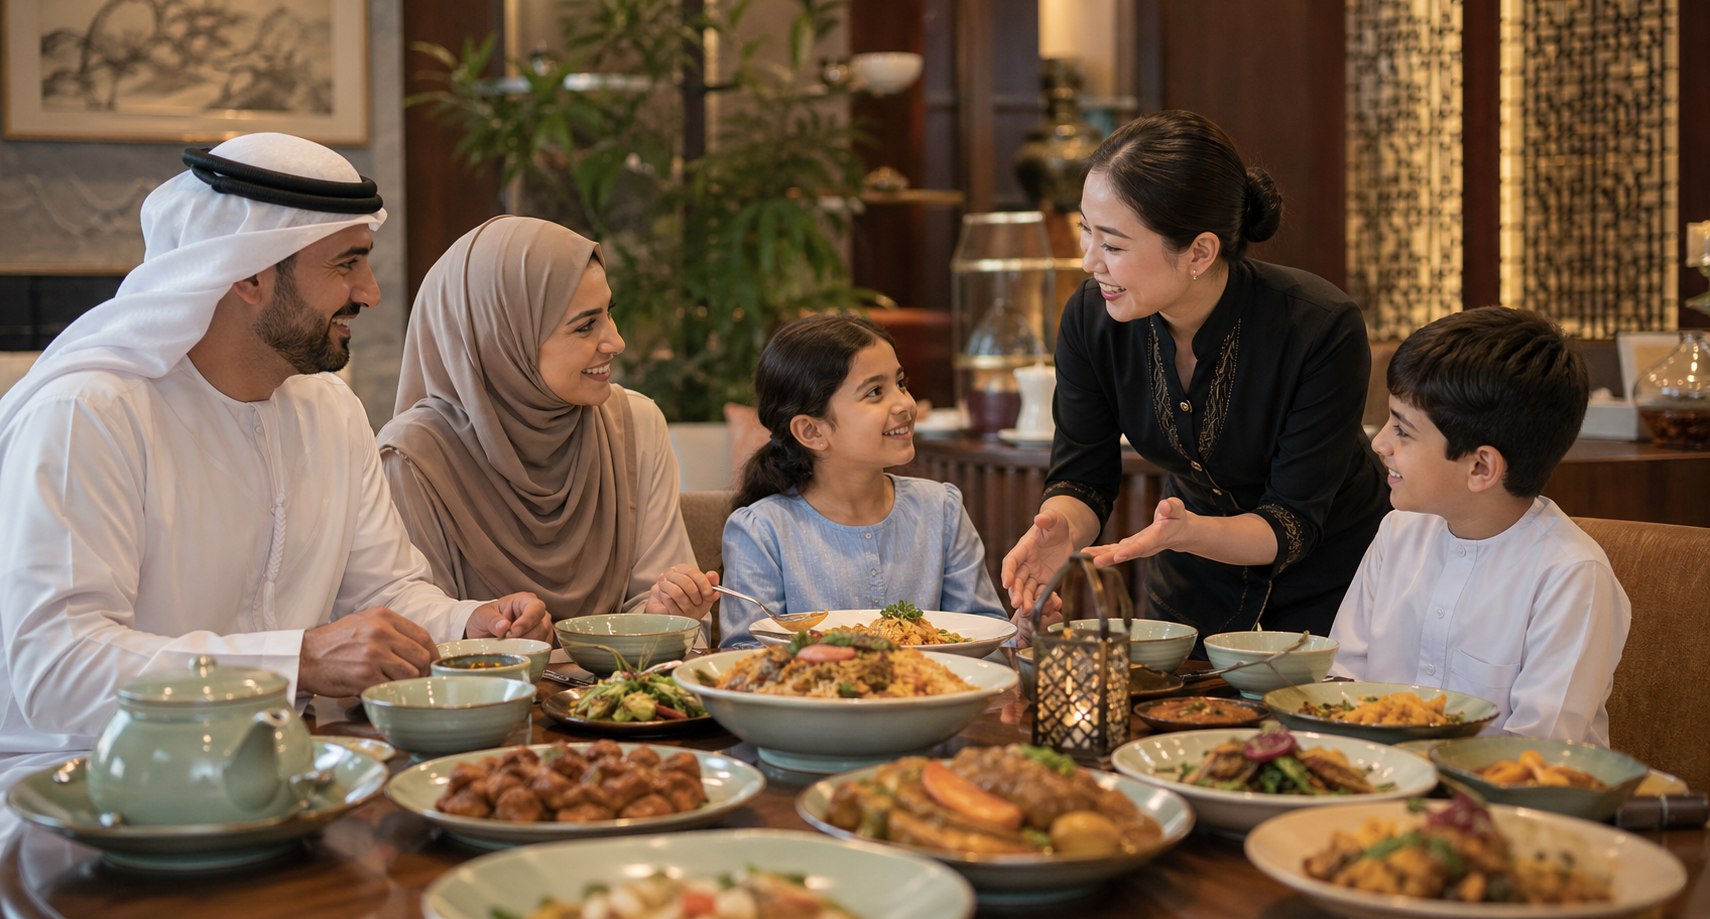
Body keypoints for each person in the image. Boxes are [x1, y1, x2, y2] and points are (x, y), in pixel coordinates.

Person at [0, 135, 549, 814]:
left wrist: (470, 625)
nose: (370, 293)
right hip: (85, 792)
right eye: (347, 265)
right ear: (250, 274)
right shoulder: (90, 413)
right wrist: (299, 659)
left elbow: (382, 592)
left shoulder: (330, 409)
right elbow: (59, 666)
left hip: (286, 775)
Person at [1001, 110, 1390, 649]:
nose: (1090, 262)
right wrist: (1060, 527)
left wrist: (1186, 532)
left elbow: (1292, 522)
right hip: (1191, 577)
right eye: (1086, 233)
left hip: (1332, 581)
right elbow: (1083, 476)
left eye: (1112, 245)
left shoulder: (1319, 326)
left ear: (1200, 252)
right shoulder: (1091, 319)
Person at [377, 217, 715, 621]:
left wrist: (670, 611)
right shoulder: (415, 456)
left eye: (610, 313)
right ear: (503, 338)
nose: (616, 341)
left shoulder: (634, 424)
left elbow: (658, 604)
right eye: (586, 325)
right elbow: (416, 628)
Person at [1328, 308, 1630, 745]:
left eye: (1403, 430)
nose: (1380, 443)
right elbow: (1344, 682)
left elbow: (1538, 749)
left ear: (1481, 466)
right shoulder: (1398, 531)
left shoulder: (1570, 575)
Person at [717, 314, 1007, 648]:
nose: (905, 404)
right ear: (811, 431)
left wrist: (1025, 632)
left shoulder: (940, 509)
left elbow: (984, 635)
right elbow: (745, 655)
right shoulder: (760, 531)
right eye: (874, 392)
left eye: (900, 383)